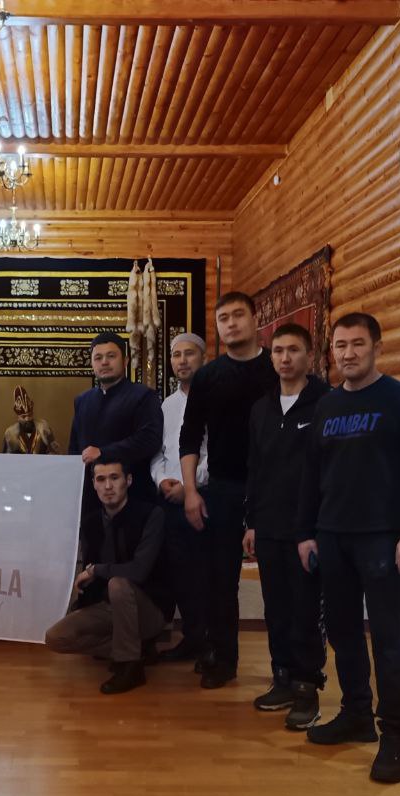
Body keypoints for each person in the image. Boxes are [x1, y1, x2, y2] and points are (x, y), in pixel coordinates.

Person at [296, 312, 400, 784]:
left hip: (383, 538)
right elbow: (312, 474)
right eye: (340, 345)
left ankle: (393, 736)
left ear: (377, 347)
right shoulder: (327, 406)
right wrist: (306, 532)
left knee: (387, 639)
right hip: (332, 536)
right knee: (342, 632)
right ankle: (356, 712)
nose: (348, 353)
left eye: (357, 344)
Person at [179, 292, 277, 689]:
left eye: (238, 315)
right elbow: (189, 437)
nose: (231, 323)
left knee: (279, 582)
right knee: (220, 581)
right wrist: (191, 491)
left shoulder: (276, 368)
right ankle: (223, 658)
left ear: (255, 319)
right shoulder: (207, 377)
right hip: (222, 488)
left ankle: (287, 671)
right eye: (223, 318)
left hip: (272, 491)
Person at [243, 323, 329, 728]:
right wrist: (251, 523)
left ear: (309, 356)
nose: (284, 358)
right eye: (278, 351)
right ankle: (282, 678)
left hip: (308, 529)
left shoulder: (326, 403)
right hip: (269, 526)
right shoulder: (261, 408)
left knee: (305, 609)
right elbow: (255, 469)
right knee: (276, 607)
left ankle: (307, 688)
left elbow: (329, 469)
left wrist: (317, 528)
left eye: (293, 350)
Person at [44, 459, 173, 695]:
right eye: (101, 479)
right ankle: (136, 648)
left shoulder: (151, 515)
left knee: (118, 584)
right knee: (56, 637)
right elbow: (92, 579)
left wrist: (96, 570)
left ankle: (130, 666)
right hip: (109, 606)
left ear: (128, 480)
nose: (108, 486)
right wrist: (81, 605)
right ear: (94, 484)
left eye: (114, 478)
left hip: (149, 607)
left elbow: (138, 571)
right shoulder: (91, 522)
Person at [149, 331, 210, 663]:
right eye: (176, 355)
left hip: (202, 497)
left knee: (203, 574)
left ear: (203, 358)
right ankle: (191, 638)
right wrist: (162, 481)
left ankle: (210, 643)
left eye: (189, 354)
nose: (182, 360)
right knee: (178, 573)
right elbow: (158, 453)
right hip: (168, 499)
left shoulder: (217, 400)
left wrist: (189, 486)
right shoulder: (167, 405)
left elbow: (216, 455)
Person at [68, 332, 162, 510]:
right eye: (98, 358)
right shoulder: (82, 400)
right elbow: (74, 449)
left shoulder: (143, 396)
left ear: (125, 361)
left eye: (111, 356)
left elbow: (150, 440)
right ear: (92, 364)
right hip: (90, 499)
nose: (104, 362)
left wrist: (103, 453)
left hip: (135, 497)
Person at [2, 385, 59, 454]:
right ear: (18, 417)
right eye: (23, 417)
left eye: (30, 415)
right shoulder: (10, 434)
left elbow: (54, 452)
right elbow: (6, 457)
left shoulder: (44, 428)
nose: (27, 419)